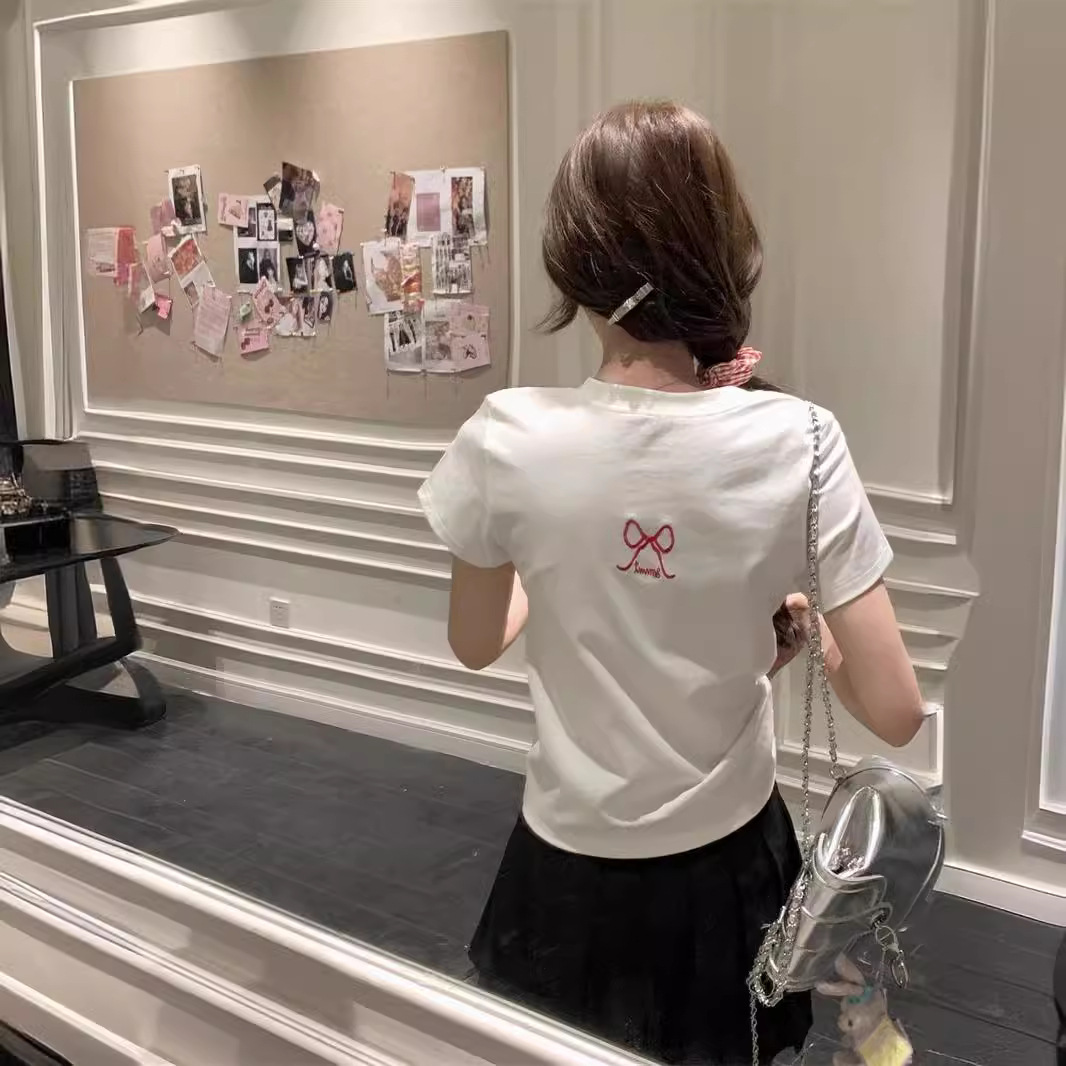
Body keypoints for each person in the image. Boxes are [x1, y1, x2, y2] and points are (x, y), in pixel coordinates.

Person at [417, 101, 925, 1066]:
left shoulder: (504, 437)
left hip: (563, 865)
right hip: (729, 865)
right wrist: (809, 627)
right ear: (725, 252)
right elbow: (896, 711)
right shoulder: (800, 441)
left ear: (572, 263)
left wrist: (559, 563)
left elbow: (475, 643)